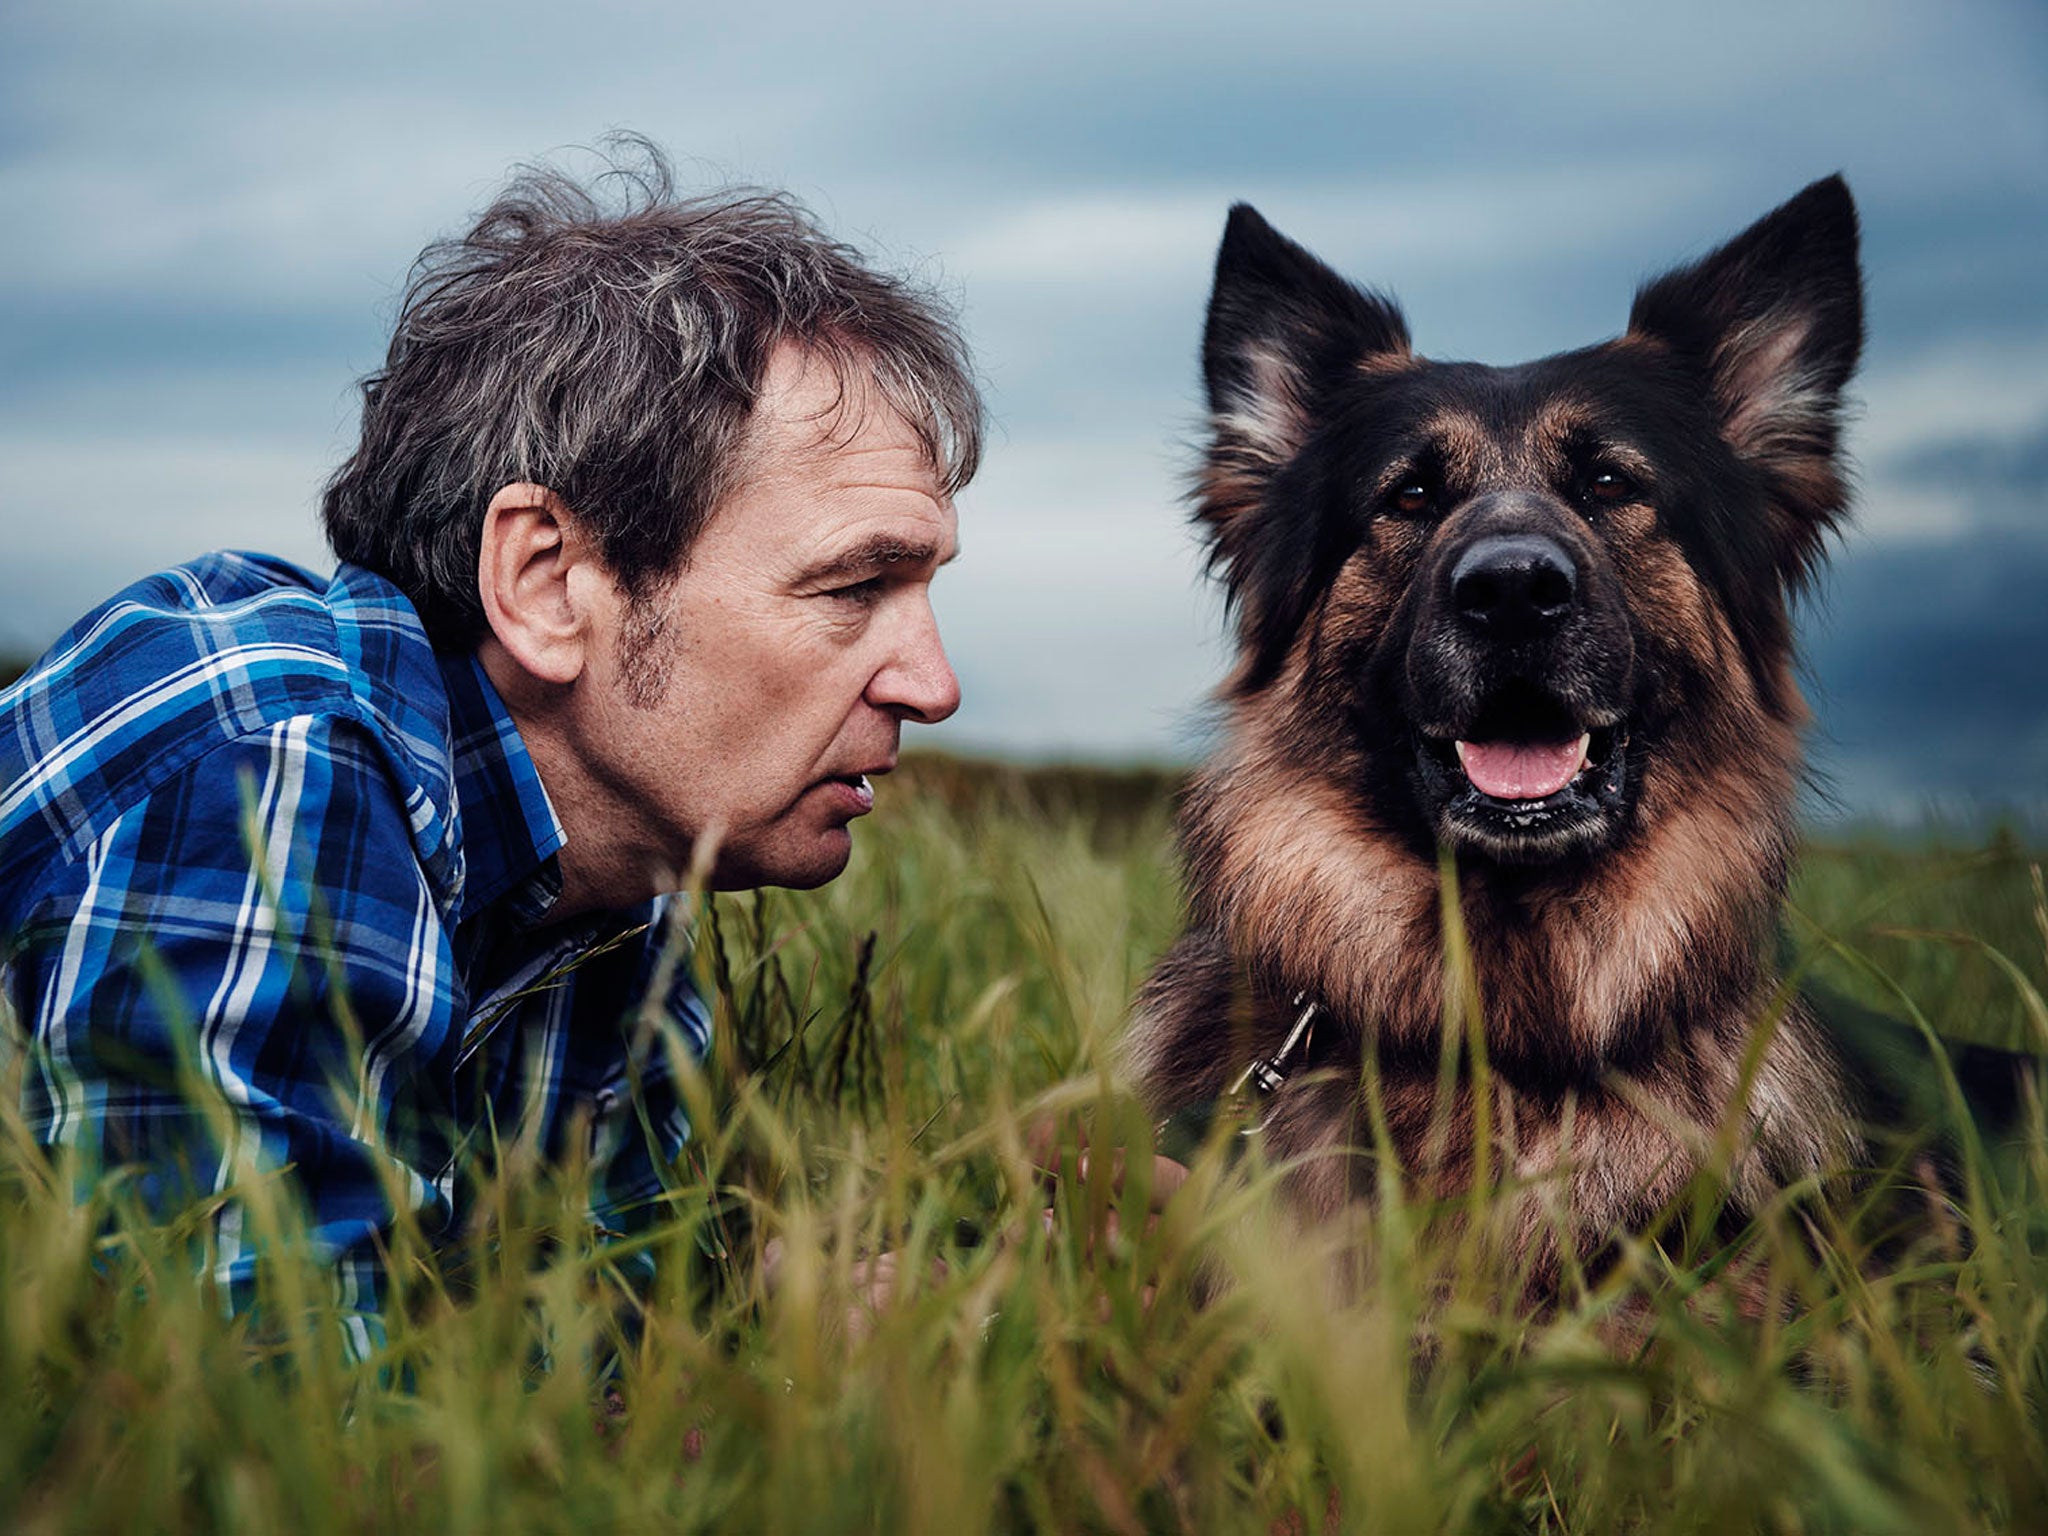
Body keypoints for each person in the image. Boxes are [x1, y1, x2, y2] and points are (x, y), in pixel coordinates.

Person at [0, 141, 983, 1358]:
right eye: (852, 588)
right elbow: (275, 1425)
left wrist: (799, 1310)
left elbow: (591, 1352)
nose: (932, 686)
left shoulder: (611, 884)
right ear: (546, 581)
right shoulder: (270, 760)